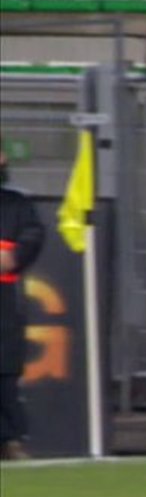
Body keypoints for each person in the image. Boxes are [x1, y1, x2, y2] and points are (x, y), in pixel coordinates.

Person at [0, 141, 46, 461]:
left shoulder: (17, 206)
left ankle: (11, 440)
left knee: (4, 375)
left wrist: (9, 256)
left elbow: (14, 255)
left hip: (4, 306)